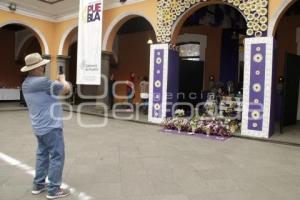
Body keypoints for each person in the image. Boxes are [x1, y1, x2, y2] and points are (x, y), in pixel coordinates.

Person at [21, 53, 71, 199]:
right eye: (42, 65)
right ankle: (54, 189)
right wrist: (62, 79)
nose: (44, 67)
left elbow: (49, 92)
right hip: (51, 126)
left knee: (42, 155)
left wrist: (56, 84)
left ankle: (38, 184)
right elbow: (66, 89)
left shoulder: (26, 83)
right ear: (36, 68)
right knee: (57, 155)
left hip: (39, 127)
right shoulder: (42, 81)